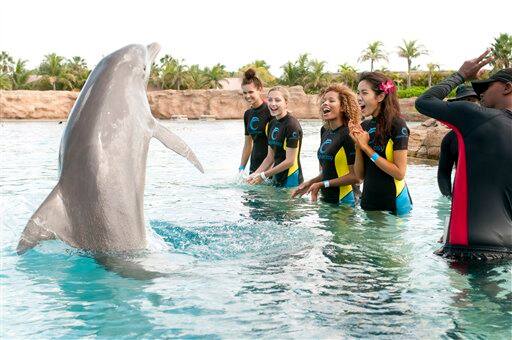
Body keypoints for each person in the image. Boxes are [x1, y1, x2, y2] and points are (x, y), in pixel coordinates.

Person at [415, 49, 512, 260]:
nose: (480, 94)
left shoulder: (476, 117)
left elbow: (424, 102)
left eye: (486, 87)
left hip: (470, 246)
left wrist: (461, 75)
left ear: (507, 87)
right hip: (508, 249)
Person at [350, 72, 413, 215]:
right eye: (358, 93)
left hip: (393, 206)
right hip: (368, 204)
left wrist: (366, 148)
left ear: (380, 96)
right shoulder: (365, 126)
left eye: (364, 93)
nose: (358, 98)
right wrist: (358, 146)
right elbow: (359, 176)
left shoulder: (397, 125)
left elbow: (399, 173)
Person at [292, 84, 361, 206]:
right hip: (327, 200)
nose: (325, 103)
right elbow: (329, 172)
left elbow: (356, 177)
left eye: (331, 100)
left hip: (346, 202)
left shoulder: (349, 134)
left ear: (343, 107)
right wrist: (309, 183)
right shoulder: (324, 131)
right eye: (323, 101)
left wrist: (322, 184)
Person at [247, 86, 303, 187]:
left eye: (277, 100)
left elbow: (290, 161)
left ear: (286, 103)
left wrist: (263, 175)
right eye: (270, 100)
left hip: (291, 180)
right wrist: (255, 174)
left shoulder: (291, 125)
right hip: (276, 179)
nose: (273, 104)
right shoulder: (272, 124)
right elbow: (270, 157)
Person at [438, 85, 479, 197]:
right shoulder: (450, 139)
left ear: (480, 102)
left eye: (471, 100)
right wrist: (448, 197)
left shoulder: (493, 131)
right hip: (462, 195)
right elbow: (443, 172)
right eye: (463, 101)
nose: (467, 104)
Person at [239, 69, 272, 174]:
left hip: (270, 168)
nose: (247, 96)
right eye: (245, 93)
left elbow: (277, 146)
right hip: (254, 166)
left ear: (260, 89)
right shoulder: (248, 114)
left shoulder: (270, 111)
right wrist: (241, 168)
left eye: (251, 92)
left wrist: (269, 170)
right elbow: (248, 144)